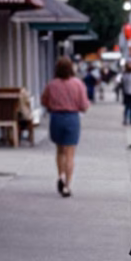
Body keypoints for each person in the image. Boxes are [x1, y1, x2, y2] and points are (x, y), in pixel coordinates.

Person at [41, 57, 89, 198]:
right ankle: (67, 186)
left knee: (60, 150)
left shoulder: (52, 84)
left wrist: (53, 106)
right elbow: (84, 105)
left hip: (56, 118)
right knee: (70, 154)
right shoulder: (78, 84)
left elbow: (44, 100)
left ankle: (60, 176)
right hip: (72, 118)